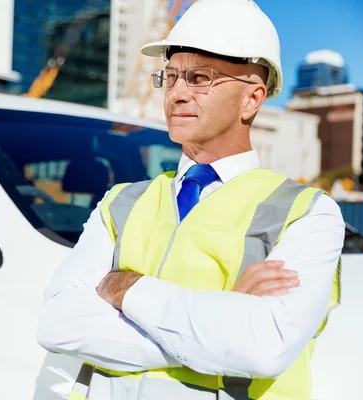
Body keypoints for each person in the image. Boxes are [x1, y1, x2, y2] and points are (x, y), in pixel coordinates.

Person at [37, 0, 345, 399]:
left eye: (200, 78)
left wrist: (124, 288)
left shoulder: (307, 213)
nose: (176, 94)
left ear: (252, 99)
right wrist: (221, 316)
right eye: (171, 76)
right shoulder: (121, 203)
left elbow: (263, 347)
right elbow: (58, 324)